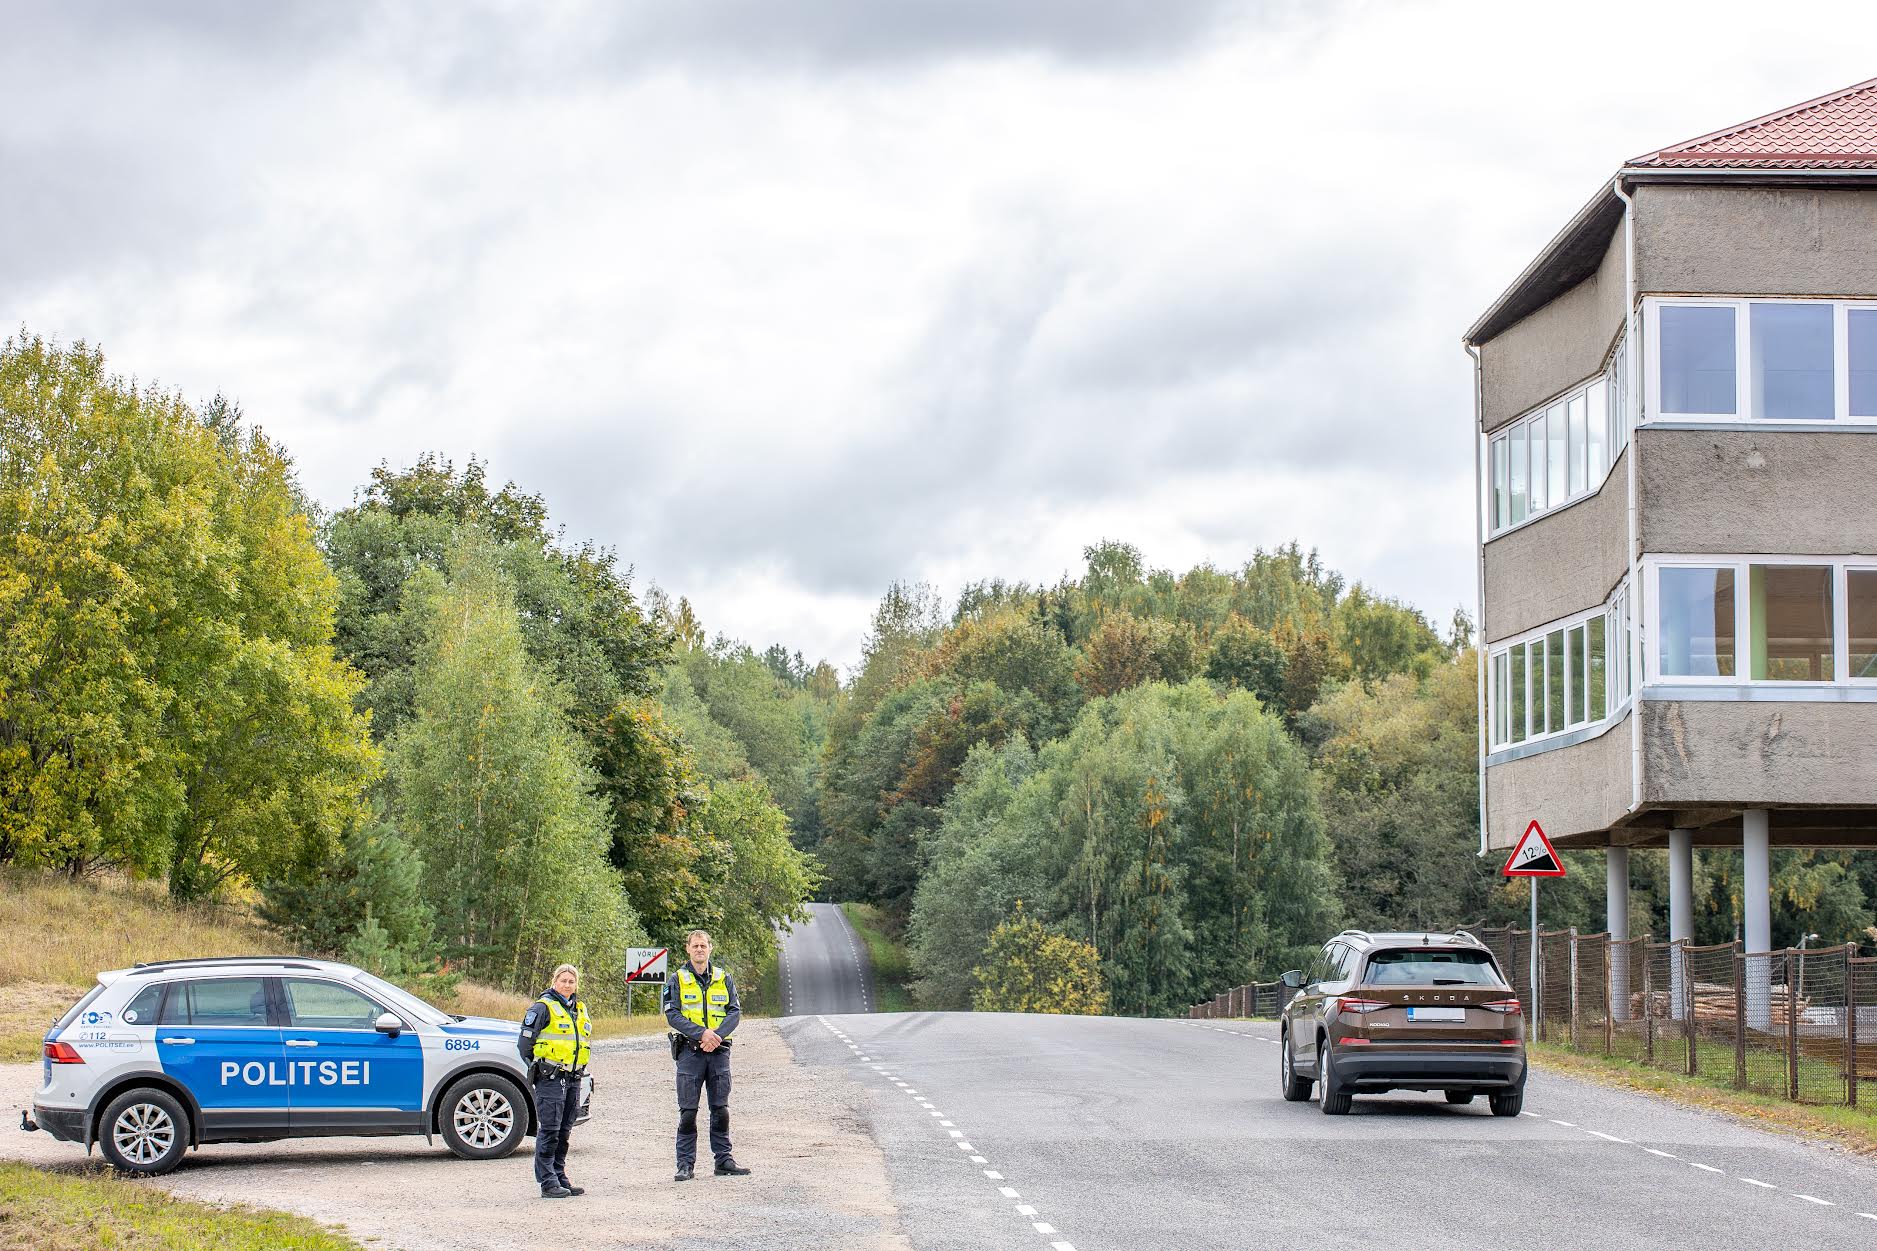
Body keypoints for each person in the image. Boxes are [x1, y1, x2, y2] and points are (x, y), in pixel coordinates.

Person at [663, 929, 749, 1181]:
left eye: (703, 945)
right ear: (688, 949)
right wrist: (702, 1034)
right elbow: (673, 1014)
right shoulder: (676, 979)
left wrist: (717, 1036)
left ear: (710, 948)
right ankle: (685, 1165)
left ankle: (723, 1161)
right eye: (695, 945)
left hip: (719, 1051)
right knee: (688, 1111)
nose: (699, 949)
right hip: (690, 1053)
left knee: (720, 1108)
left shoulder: (725, 978)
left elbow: (734, 1012)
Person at [519, 963, 591, 1199]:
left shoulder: (578, 1009)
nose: (567, 985)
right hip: (550, 1078)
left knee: (565, 1129)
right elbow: (524, 1045)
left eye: (571, 981)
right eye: (563, 980)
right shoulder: (542, 1008)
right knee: (549, 1129)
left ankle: (559, 1175)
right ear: (554, 981)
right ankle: (547, 1181)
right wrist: (540, 1068)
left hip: (573, 1077)